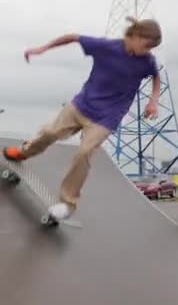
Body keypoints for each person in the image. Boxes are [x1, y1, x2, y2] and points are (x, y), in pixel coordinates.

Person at [2, 16, 162, 221]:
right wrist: (42, 48)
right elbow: (73, 37)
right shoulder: (106, 46)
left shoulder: (147, 61)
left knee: (85, 152)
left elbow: (156, 77)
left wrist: (153, 101)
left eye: (152, 48)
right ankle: (24, 153)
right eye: (147, 46)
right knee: (51, 132)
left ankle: (68, 203)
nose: (149, 51)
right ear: (136, 37)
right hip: (81, 105)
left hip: (107, 117)